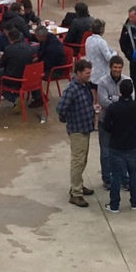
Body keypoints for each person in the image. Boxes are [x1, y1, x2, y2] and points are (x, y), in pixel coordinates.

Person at [56, 59, 97, 208]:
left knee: (83, 160)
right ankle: (76, 193)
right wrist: (68, 120)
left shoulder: (84, 86)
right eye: (87, 73)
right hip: (77, 129)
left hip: (85, 127)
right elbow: (61, 108)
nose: (89, 76)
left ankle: (77, 185)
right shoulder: (71, 89)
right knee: (78, 161)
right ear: (78, 73)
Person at [101, 78, 136, 213]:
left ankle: (114, 205)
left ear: (119, 92)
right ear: (131, 92)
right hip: (132, 145)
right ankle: (135, 202)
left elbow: (107, 126)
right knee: (133, 174)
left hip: (116, 146)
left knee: (116, 176)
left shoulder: (113, 108)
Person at [95, 56, 130, 189]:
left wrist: (112, 99)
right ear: (110, 67)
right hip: (105, 122)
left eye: (119, 68)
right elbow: (103, 102)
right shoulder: (102, 82)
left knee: (123, 151)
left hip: (121, 124)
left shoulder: (127, 80)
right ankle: (107, 179)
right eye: (115, 67)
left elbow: (130, 99)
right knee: (105, 152)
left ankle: (124, 178)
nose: (117, 70)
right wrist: (120, 100)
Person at [0, 27, 39, 108]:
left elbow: (1, 64)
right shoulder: (29, 47)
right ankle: (17, 95)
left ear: (9, 38)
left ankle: (15, 99)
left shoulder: (8, 49)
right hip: (29, 78)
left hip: (15, 80)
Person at [84, 19, 116, 84]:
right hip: (101, 75)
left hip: (91, 73)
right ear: (102, 30)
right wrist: (115, 53)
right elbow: (109, 58)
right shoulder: (101, 42)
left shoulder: (88, 39)